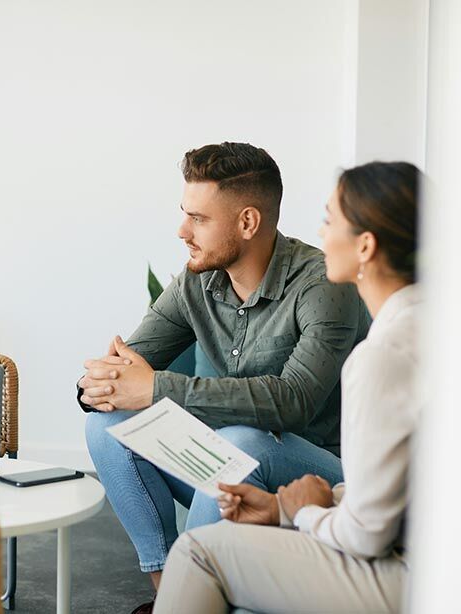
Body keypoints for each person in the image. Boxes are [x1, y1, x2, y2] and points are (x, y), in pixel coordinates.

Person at [80, 142, 369, 609]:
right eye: (185, 214)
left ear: (247, 222)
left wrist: (155, 388)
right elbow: (127, 366)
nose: (182, 231)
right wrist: (98, 386)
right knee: (107, 425)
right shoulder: (197, 280)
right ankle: (169, 592)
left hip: (324, 474)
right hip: (229, 465)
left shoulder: (322, 284)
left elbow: (294, 402)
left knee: (242, 442)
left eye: (198, 219)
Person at [154, 161, 420, 613]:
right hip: (416, 541)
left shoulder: (381, 357)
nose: (319, 233)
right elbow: (409, 490)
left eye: (329, 220)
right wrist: (281, 508)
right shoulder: (425, 326)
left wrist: (302, 512)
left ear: (365, 246)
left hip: (419, 574)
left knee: (198, 551)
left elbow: (368, 535)